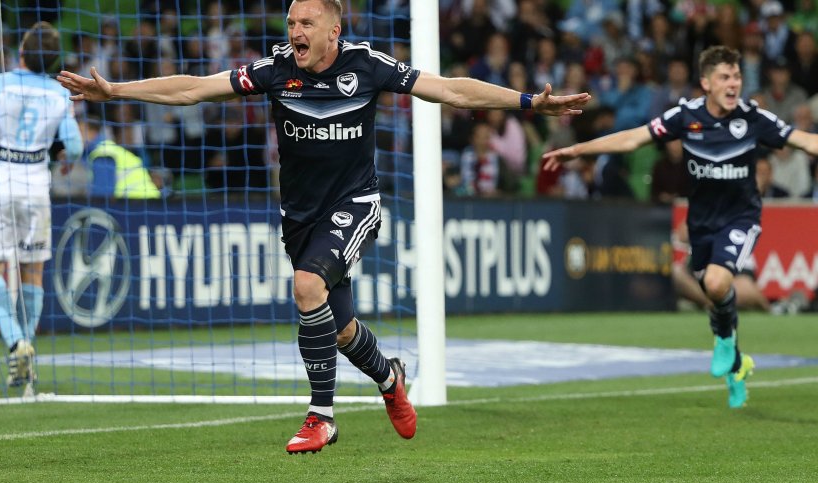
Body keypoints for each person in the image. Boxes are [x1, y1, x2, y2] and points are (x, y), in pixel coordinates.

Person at [58, 0, 590, 454]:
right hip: (300, 216)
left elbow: (451, 90)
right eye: (291, 22)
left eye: (306, 23)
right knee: (338, 328)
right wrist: (117, 91)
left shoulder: (368, 65)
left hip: (355, 203)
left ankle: (321, 417)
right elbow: (193, 89)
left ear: (334, 30)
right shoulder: (274, 70)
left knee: (306, 285)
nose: (295, 31)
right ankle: (389, 377)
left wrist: (527, 102)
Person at [543, 45, 818, 409]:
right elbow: (633, 138)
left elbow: (805, 140)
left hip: (740, 217)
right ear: (706, 83)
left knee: (717, 283)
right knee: (713, 289)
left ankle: (724, 340)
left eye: (737, 76)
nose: (733, 83)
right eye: (724, 77)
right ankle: (737, 363)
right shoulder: (685, 116)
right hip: (701, 223)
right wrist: (580, 150)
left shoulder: (752, 118)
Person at [0, 22, 83, 388]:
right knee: (32, 272)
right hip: (37, 185)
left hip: (0, 183)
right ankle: (27, 352)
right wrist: (65, 160)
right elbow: (74, 146)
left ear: (22, 51)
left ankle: (15, 342)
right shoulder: (59, 93)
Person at [78, 114, 162, 199]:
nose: (77, 136)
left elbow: (102, 196)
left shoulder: (103, 154)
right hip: (141, 200)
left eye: (80, 131)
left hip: (140, 201)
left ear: (93, 133)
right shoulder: (102, 149)